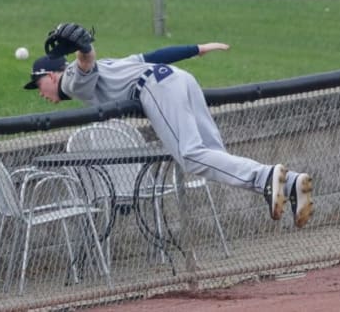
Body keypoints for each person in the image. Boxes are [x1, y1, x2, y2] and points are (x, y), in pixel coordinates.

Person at [24, 23, 314, 228]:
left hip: (156, 89)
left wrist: (85, 48)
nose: (39, 92)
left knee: (190, 156)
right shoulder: (110, 64)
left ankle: (267, 177)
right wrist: (196, 49)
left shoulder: (71, 82)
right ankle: (290, 184)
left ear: (51, 75)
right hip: (180, 78)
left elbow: (85, 63)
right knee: (215, 156)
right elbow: (151, 57)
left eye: (37, 84)